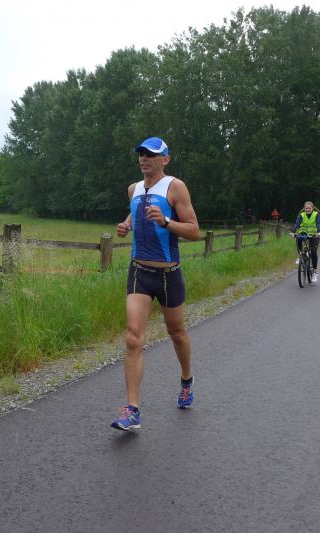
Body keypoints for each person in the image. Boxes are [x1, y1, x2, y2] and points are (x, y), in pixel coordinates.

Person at [111, 136, 201, 431]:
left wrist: (165, 222)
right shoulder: (133, 189)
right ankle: (132, 409)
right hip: (139, 272)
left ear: (165, 159)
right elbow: (137, 209)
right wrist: (127, 224)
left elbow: (194, 231)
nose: (144, 159)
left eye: (150, 154)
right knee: (133, 337)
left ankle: (186, 380)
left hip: (168, 274)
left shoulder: (175, 187)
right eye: (141, 154)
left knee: (177, 333)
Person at [289, 201, 320, 283]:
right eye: (306, 208)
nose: (308, 210)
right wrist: (293, 232)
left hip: (314, 234)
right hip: (304, 232)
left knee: (313, 252)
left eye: (309, 208)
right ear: (304, 208)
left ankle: (314, 272)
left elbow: (318, 224)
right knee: (299, 238)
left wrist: (319, 232)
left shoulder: (316, 215)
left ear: (312, 208)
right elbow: (297, 224)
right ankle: (300, 255)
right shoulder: (302, 215)